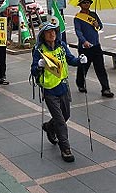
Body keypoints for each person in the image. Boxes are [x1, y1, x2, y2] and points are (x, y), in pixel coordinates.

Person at [31, 22, 86, 162]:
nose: (52, 34)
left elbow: (71, 60)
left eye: (54, 31)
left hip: (63, 86)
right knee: (61, 121)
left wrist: (80, 60)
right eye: (48, 32)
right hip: (49, 89)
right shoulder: (39, 50)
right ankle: (65, 149)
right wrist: (38, 65)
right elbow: (33, 70)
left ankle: (49, 127)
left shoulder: (62, 46)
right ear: (43, 35)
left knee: (65, 115)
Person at [74, 0, 113, 97]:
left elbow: (100, 26)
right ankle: (80, 84)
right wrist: (84, 41)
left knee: (100, 68)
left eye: (88, 2)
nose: (86, 4)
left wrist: (97, 25)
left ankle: (106, 88)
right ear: (80, 5)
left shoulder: (94, 15)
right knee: (83, 67)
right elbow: (78, 31)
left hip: (96, 46)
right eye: (84, 3)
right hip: (84, 47)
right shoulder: (78, 17)